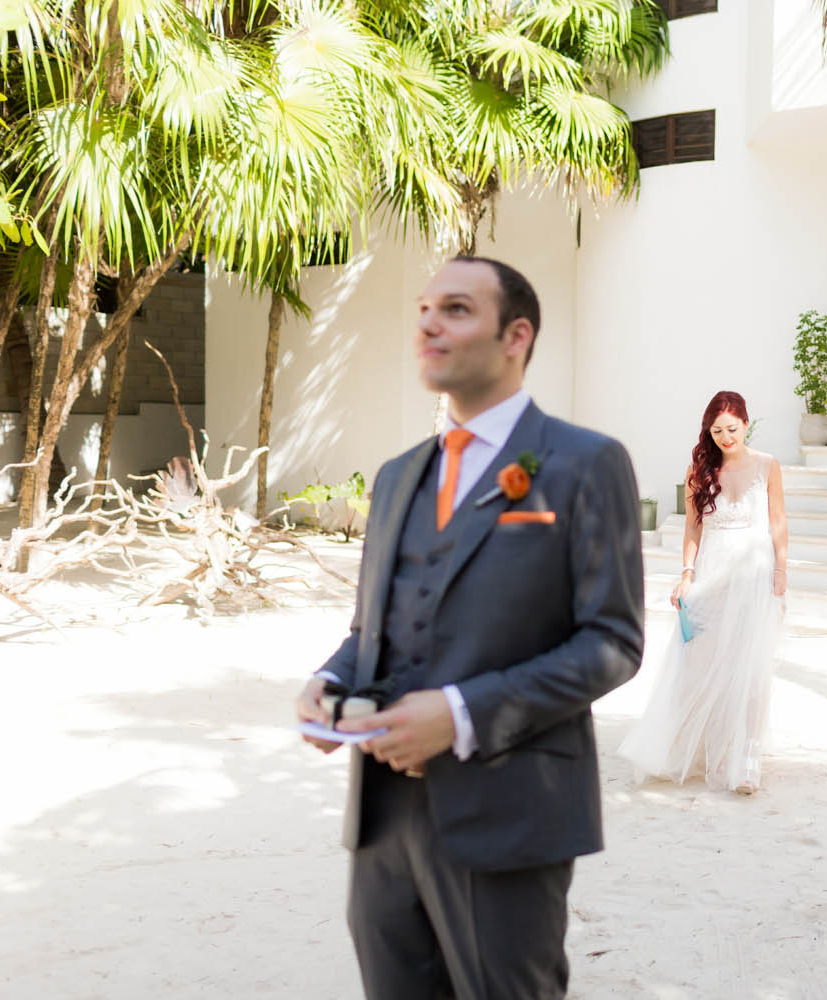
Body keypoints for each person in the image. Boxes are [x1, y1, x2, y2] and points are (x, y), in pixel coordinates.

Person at [293, 256, 645, 1000]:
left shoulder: (586, 463)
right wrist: (330, 682)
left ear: (516, 336)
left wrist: (458, 715)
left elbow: (613, 644)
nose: (428, 323)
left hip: (509, 812)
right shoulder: (396, 476)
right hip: (383, 823)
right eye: (423, 308)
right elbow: (371, 631)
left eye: (455, 309)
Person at [619, 390, 787, 794]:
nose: (726, 438)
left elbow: (778, 521)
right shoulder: (700, 471)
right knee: (701, 662)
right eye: (717, 431)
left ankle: (747, 761)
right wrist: (687, 575)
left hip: (755, 576)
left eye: (732, 429)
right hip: (712, 574)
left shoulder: (767, 465)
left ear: (746, 424)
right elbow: (693, 529)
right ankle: (709, 748)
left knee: (752, 668)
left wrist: (781, 570)